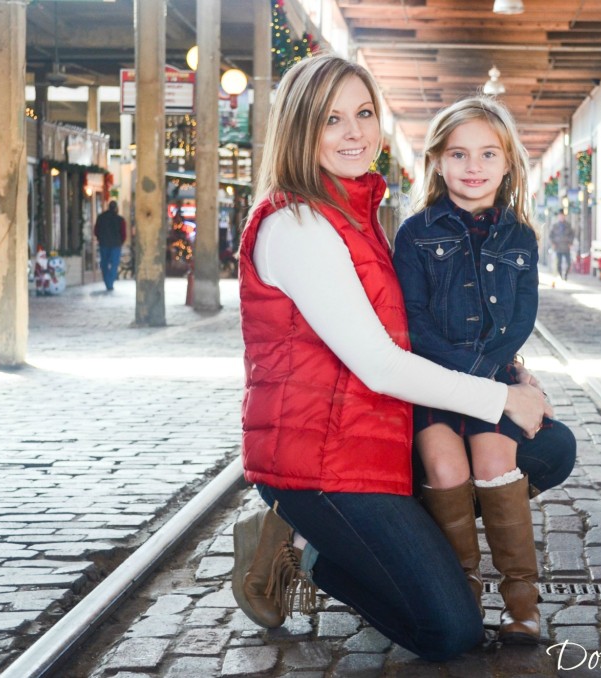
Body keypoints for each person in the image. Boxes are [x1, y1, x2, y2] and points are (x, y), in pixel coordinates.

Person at [230, 53, 568, 662]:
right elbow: (381, 365)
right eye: (332, 120)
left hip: (374, 438)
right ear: (299, 128)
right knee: (450, 631)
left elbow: (423, 324)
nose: (355, 133)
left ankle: (378, 545)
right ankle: (309, 549)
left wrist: (508, 371)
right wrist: (501, 398)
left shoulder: (356, 213)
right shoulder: (299, 224)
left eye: (364, 114)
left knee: (548, 445)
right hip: (321, 464)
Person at [391, 96, 558, 644]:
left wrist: (490, 376)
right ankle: (462, 595)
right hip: (436, 381)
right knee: (444, 469)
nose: (473, 167)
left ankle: (522, 603)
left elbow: (521, 319)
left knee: (493, 463)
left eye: (488, 154)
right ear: (437, 161)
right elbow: (412, 321)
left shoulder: (521, 238)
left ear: (508, 161)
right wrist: (471, 377)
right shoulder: (415, 234)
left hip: (493, 380)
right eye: (458, 154)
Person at [94, 200, 127, 292]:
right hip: (116, 244)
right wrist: (120, 242)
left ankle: (107, 281)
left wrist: (100, 238)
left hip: (104, 243)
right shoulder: (120, 219)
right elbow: (123, 234)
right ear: (116, 208)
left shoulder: (101, 218)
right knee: (114, 264)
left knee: (104, 263)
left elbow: (96, 231)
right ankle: (110, 282)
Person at [550, 212, 575, 281]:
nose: (561, 217)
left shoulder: (568, 225)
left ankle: (566, 274)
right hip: (558, 247)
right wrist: (553, 243)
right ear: (558, 217)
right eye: (560, 216)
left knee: (569, 263)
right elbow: (551, 235)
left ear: (564, 216)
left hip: (566, 247)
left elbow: (572, 235)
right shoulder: (555, 226)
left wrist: (570, 243)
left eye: (562, 216)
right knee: (559, 263)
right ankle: (561, 275)